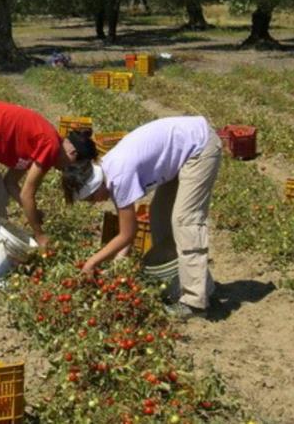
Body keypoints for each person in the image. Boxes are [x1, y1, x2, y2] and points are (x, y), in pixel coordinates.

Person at [61, 116, 221, 320]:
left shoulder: (119, 177)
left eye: (91, 198)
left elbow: (128, 234)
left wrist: (91, 263)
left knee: (185, 220)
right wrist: (119, 264)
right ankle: (194, 283)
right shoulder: (110, 170)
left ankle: (195, 302)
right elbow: (126, 230)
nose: (95, 203)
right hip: (182, 152)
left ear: (95, 186)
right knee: (160, 216)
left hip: (199, 146)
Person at [0, 100, 93, 289]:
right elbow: (27, 194)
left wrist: (33, 212)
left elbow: (10, 183)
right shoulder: (50, 144)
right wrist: (39, 234)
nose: (64, 170)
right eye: (69, 167)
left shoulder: (45, 142)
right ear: (72, 152)